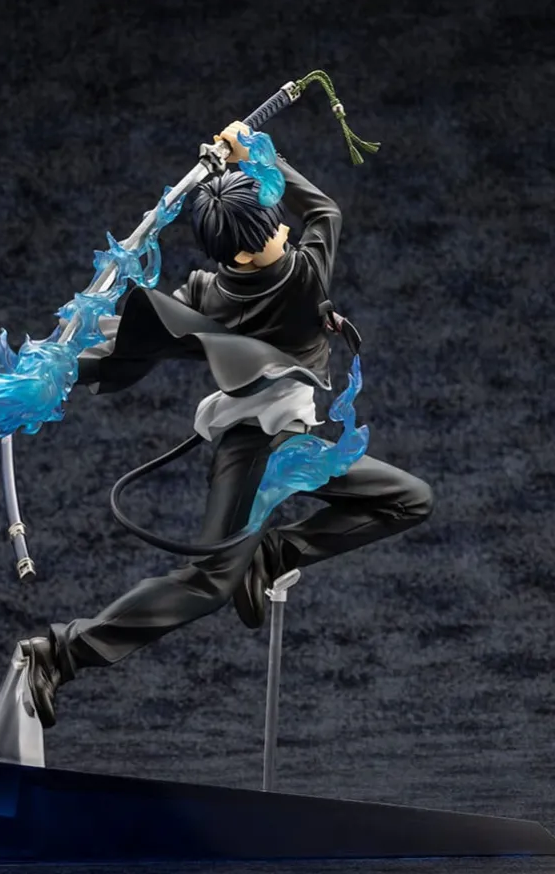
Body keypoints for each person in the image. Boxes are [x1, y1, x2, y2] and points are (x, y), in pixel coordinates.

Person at [22, 122, 433, 728]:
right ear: (244, 251)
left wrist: (55, 372)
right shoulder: (304, 276)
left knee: (407, 499)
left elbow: (125, 347)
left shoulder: (204, 292)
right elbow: (324, 210)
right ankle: (60, 652)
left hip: (290, 444)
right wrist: (259, 154)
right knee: (210, 582)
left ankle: (272, 551)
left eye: (275, 220)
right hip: (260, 449)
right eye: (270, 229)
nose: (284, 230)